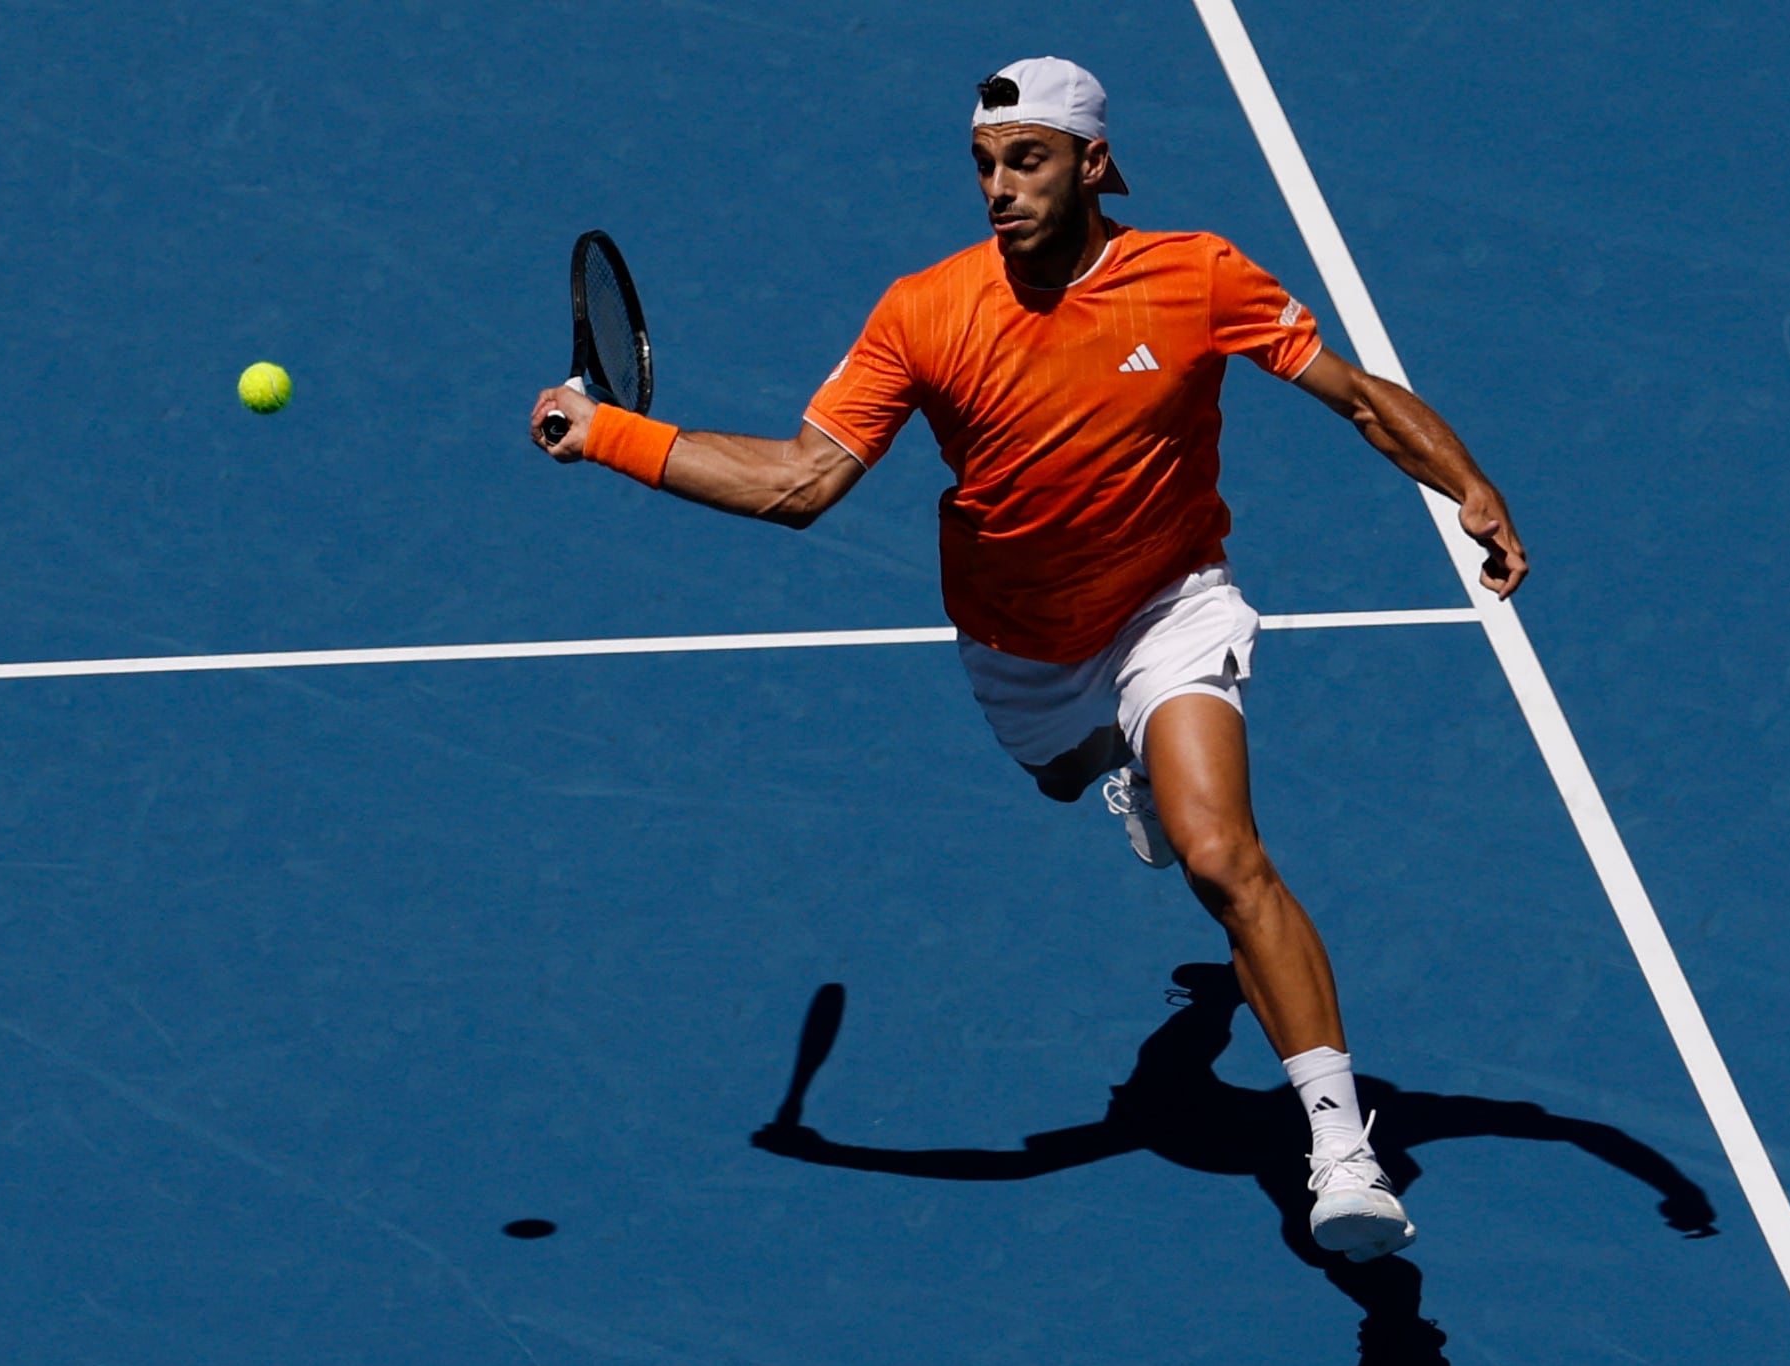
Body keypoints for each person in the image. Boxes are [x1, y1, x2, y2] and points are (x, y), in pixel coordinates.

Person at [530, 55, 1527, 1262]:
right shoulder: (926, 311)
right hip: (1021, 642)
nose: (999, 188)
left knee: (1222, 857)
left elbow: (1359, 397)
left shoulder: (1199, 275)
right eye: (984, 165)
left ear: (1094, 163)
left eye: (1028, 160)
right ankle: (1128, 771)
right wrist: (610, 434)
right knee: (1068, 774)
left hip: (1169, 601)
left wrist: (1468, 486)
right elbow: (801, 484)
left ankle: (1341, 1149)